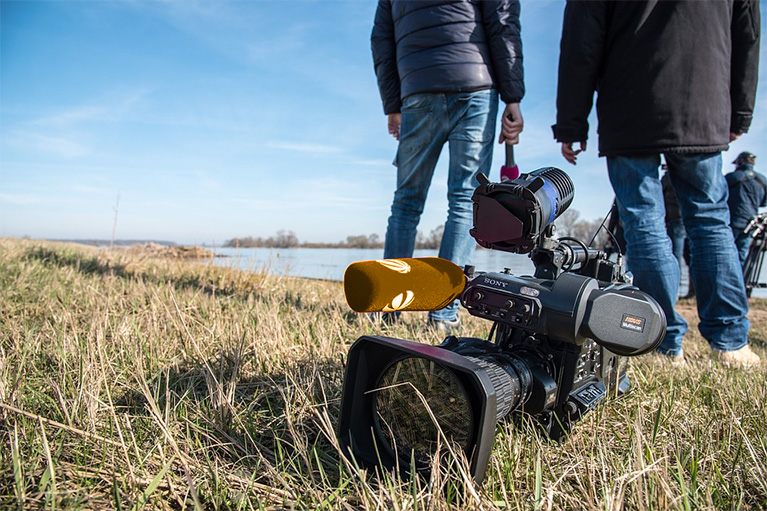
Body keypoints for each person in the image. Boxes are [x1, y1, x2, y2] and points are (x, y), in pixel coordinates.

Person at [550, 0, 761, 368]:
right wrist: (740, 109)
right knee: (710, 220)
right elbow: (748, 32)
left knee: (644, 223)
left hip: (630, 102)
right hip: (703, 97)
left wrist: (572, 121)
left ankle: (660, 340)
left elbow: (581, 40)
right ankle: (729, 342)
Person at [371, 0, 524, 331]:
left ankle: (387, 308)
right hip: (474, 84)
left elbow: (382, 38)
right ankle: (441, 315)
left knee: (406, 202)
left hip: (417, 90)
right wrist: (513, 96)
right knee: (464, 200)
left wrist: (392, 103)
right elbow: (503, 21)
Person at [725, 151, 767, 268]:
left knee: (726, 253)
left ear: (740, 162)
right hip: (750, 223)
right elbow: (764, 202)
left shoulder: (731, 177)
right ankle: (740, 283)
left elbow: (718, 196)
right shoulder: (762, 180)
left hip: (732, 221)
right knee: (741, 255)